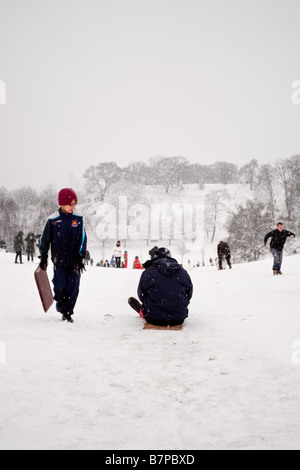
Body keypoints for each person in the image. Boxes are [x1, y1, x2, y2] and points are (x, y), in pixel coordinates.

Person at [39, 188, 87, 323]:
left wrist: (81, 256)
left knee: (73, 288)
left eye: (74, 204)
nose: (73, 207)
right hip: (59, 261)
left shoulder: (78, 218)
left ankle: (67, 313)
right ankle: (60, 304)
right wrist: (43, 257)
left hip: (74, 261)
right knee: (59, 287)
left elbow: (83, 238)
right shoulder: (53, 220)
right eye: (70, 204)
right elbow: (45, 240)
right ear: (61, 204)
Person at [128, 247, 193, 327]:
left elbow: (141, 296)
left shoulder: (148, 272)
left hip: (153, 318)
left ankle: (143, 311)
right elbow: (189, 294)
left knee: (148, 304)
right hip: (178, 318)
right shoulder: (182, 272)